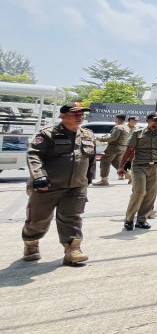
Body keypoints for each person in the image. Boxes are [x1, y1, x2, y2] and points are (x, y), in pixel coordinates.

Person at [21, 103, 95, 265]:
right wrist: (38, 176)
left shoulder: (88, 135)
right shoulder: (48, 134)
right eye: (75, 113)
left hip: (76, 186)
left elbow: (90, 159)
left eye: (81, 113)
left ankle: (73, 250)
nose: (79, 116)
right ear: (62, 116)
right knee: (38, 219)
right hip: (47, 186)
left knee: (72, 217)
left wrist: (89, 178)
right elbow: (34, 155)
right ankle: (31, 243)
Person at [117, 112, 157, 230]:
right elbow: (129, 150)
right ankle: (129, 219)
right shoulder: (137, 133)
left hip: (155, 167)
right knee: (139, 192)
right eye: (155, 120)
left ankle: (141, 220)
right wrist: (121, 166)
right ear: (147, 121)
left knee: (150, 195)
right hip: (139, 166)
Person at [93, 113, 129, 185]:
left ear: (118, 119)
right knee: (116, 163)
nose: (114, 120)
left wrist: (100, 139)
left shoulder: (118, 127)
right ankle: (130, 174)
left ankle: (104, 180)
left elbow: (112, 138)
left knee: (104, 161)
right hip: (122, 148)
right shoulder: (126, 127)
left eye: (115, 118)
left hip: (113, 148)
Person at [122, 116, 138, 182]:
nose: (135, 122)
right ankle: (124, 174)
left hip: (133, 148)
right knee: (123, 161)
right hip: (124, 147)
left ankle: (130, 177)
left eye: (136, 121)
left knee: (131, 162)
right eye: (133, 120)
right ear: (129, 120)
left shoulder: (136, 129)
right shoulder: (124, 128)